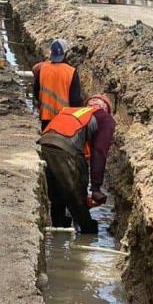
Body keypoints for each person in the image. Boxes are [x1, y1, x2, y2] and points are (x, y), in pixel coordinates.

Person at [38, 95, 116, 234]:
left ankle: (59, 232)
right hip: (65, 149)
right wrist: (96, 188)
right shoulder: (105, 118)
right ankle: (88, 232)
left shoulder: (74, 112)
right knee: (76, 197)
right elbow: (99, 151)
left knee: (57, 197)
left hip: (44, 144)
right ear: (105, 108)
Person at [32, 39, 83, 131]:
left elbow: (36, 92)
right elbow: (75, 100)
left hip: (46, 118)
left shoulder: (43, 69)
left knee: (46, 142)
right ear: (66, 53)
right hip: (64, 119)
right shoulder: (71, 72)